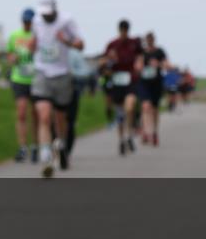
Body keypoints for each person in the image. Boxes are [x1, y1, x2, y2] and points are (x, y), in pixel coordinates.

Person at [27, 0, 84, 177]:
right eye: (43, 13)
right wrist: (31, 45)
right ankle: (46, 156)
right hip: (42, 72)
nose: (46, 16)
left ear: (55, 8)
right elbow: (34, 42)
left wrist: (66, 40)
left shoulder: (67, 21)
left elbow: (81, 45)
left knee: (60, 118)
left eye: (48, 13)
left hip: (62, 74)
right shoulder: (36, 21)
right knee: (43, 114)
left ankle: (61, 145)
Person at [101, 19, 143, 156]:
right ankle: (121, 139)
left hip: (130, 80)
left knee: (129, 107)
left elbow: (140, 57)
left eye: (126, 30)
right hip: (117, 81)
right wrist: (109, 59)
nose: (124, 33)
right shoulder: (112, 44)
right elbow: (103, 62)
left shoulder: (134, 44)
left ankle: (130, 134)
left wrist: (139, 64)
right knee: (119, 113)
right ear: (119, 30)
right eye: (122, 30)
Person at [7, 8, 38, 163]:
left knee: (35, 114)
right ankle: (22, 147)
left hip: (35, 79)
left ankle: (35, 146)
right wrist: (13, 58)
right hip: (19, 78)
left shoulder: (38, 36)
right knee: (21, 113)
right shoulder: (14, 35)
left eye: (29, 22)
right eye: (25, 21)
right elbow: (9, 54)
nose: (27, 24)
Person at [136, 32, 170, 146]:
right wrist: (139, 66)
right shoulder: (142, 52)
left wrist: (158, 64)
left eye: (151, 39)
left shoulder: (160, 52)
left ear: (154, 40)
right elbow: (137, 66)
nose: (150, 41)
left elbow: (167, 65)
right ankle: (146, 132)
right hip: (144, 83)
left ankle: (154, 132)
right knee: (145, 106)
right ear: (146, 40)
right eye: (148, 39)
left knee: (154, 109)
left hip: (156, 83)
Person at [64, 48, 93, 156]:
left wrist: (71, 73)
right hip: (52, 90)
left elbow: (85, 71)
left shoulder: (74, 54)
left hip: (71, 89)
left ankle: (67, 150)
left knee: (70, 121)